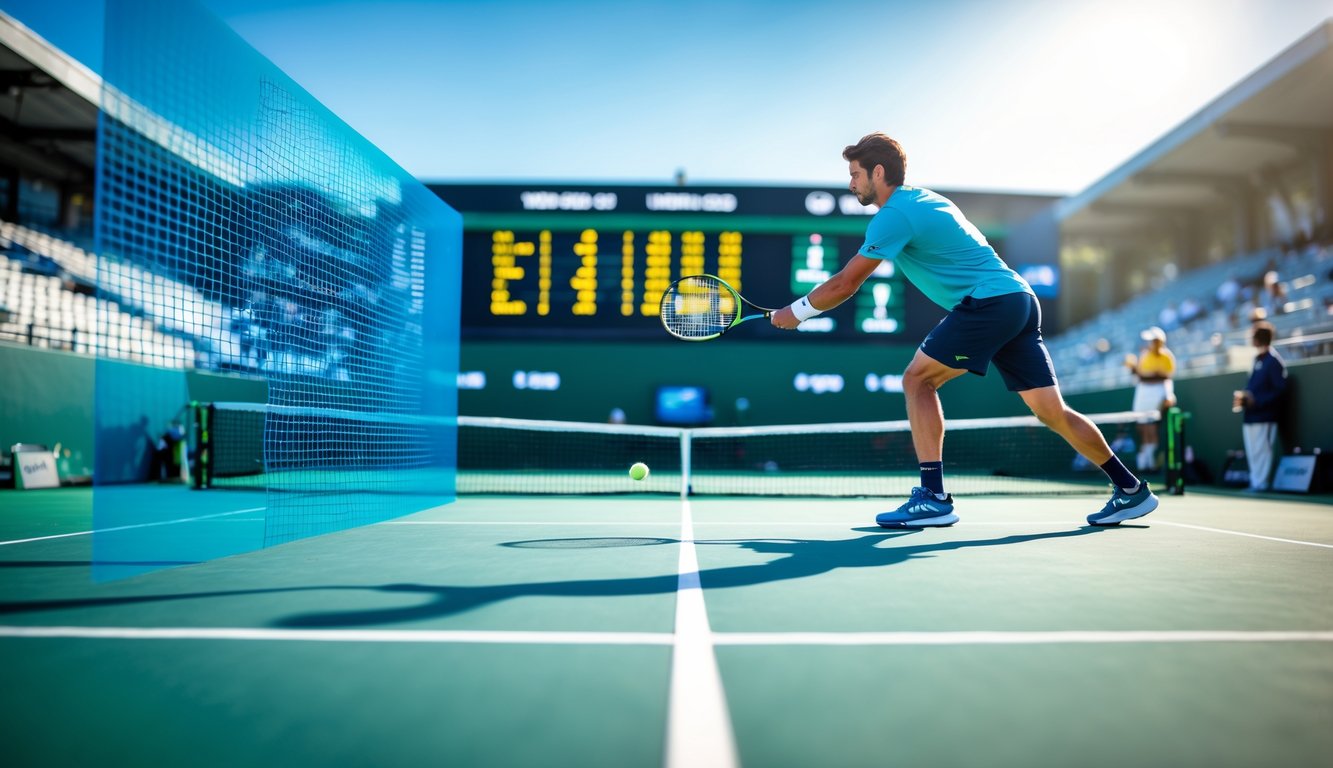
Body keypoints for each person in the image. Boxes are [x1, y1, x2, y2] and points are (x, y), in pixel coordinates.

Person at [770, 132, 1158, 527]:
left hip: (989, 302)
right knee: (1052, 412)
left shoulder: (894, 215)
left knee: (917, 380)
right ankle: (1130, 489)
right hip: (1019, 301)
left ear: (879, 172)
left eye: (855, 174)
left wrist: (796, 312)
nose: (851, 183)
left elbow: (845, 284)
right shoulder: (928, 199)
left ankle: (933, 497)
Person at [1233, 321, 1287, 492]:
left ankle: (1261, 484)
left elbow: (1279, 390)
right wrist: (1245, 397)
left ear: (1260, 338)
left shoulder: (1274, 361)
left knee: (1263, 451)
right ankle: (1255, 482)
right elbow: (1252, 385)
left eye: (1254, 336)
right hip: (1251, 416)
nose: (1251, 339)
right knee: (1253, 451)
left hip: (1265, 416)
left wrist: (1257, 401)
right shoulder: (1256, 359)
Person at [1124, 326, 1176, 473]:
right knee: (1143, 427)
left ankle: (1149, 461)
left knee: (1153, 426)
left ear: (1160, 342)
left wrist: (1168, 394)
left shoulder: (1167, 357)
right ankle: (1145, 461)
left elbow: (1166, 376)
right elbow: (1142, 376)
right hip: (1143, 394)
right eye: (1150, 341)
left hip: (1157, 394)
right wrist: (1136, 370)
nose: (1151, 344)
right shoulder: (1145, 356)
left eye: (1153, 341)